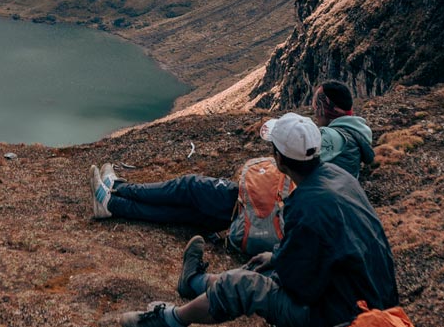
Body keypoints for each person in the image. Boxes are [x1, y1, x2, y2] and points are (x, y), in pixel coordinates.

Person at [119, 112, 398, 327]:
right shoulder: (339, 178)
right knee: (267, 266)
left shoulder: (305, 204)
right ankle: (192, 282)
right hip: (373, 303)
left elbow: (298, 286)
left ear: (279, 158)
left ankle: (171, 321)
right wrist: (277, 256)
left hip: (341, 323)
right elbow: (325, 247)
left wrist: (275, 269)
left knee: (245, 285)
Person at [89, 80, 375, 228]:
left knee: (189, 187)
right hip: (277, 212)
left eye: (315, 103)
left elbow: (305, 157)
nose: (313, 108)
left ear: (325, 106)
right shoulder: (354, 134)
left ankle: (116, 191)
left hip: (268, 207)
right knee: (190, 214)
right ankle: (114, 202)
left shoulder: (334, 137)